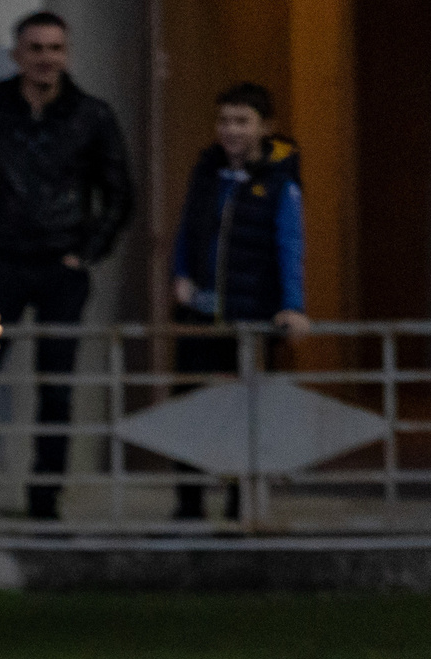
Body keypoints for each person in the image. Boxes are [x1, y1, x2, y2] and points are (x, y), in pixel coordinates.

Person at [0, 11, 133, 522]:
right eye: (35, 48)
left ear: (67, 53)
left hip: (61, 268)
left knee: (57, 387)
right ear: (17, 54)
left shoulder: (92, 115)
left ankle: (44, 501)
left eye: (55, 48)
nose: (46, 58)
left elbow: (120, 194)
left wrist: (85, 253)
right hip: (4, 265)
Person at [168, 82, 306, 523]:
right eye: (224, 120)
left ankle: (239, 505)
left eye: (242, 121)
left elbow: (290, 244)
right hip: (200, 312)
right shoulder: (207, 171)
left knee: (242, 412)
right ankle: (189, 503)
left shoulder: (279, 181)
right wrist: (180, 274)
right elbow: (187, 228)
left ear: (265, 127)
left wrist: (293, 304)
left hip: (249, 315)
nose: (231, 130)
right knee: (187, 406)